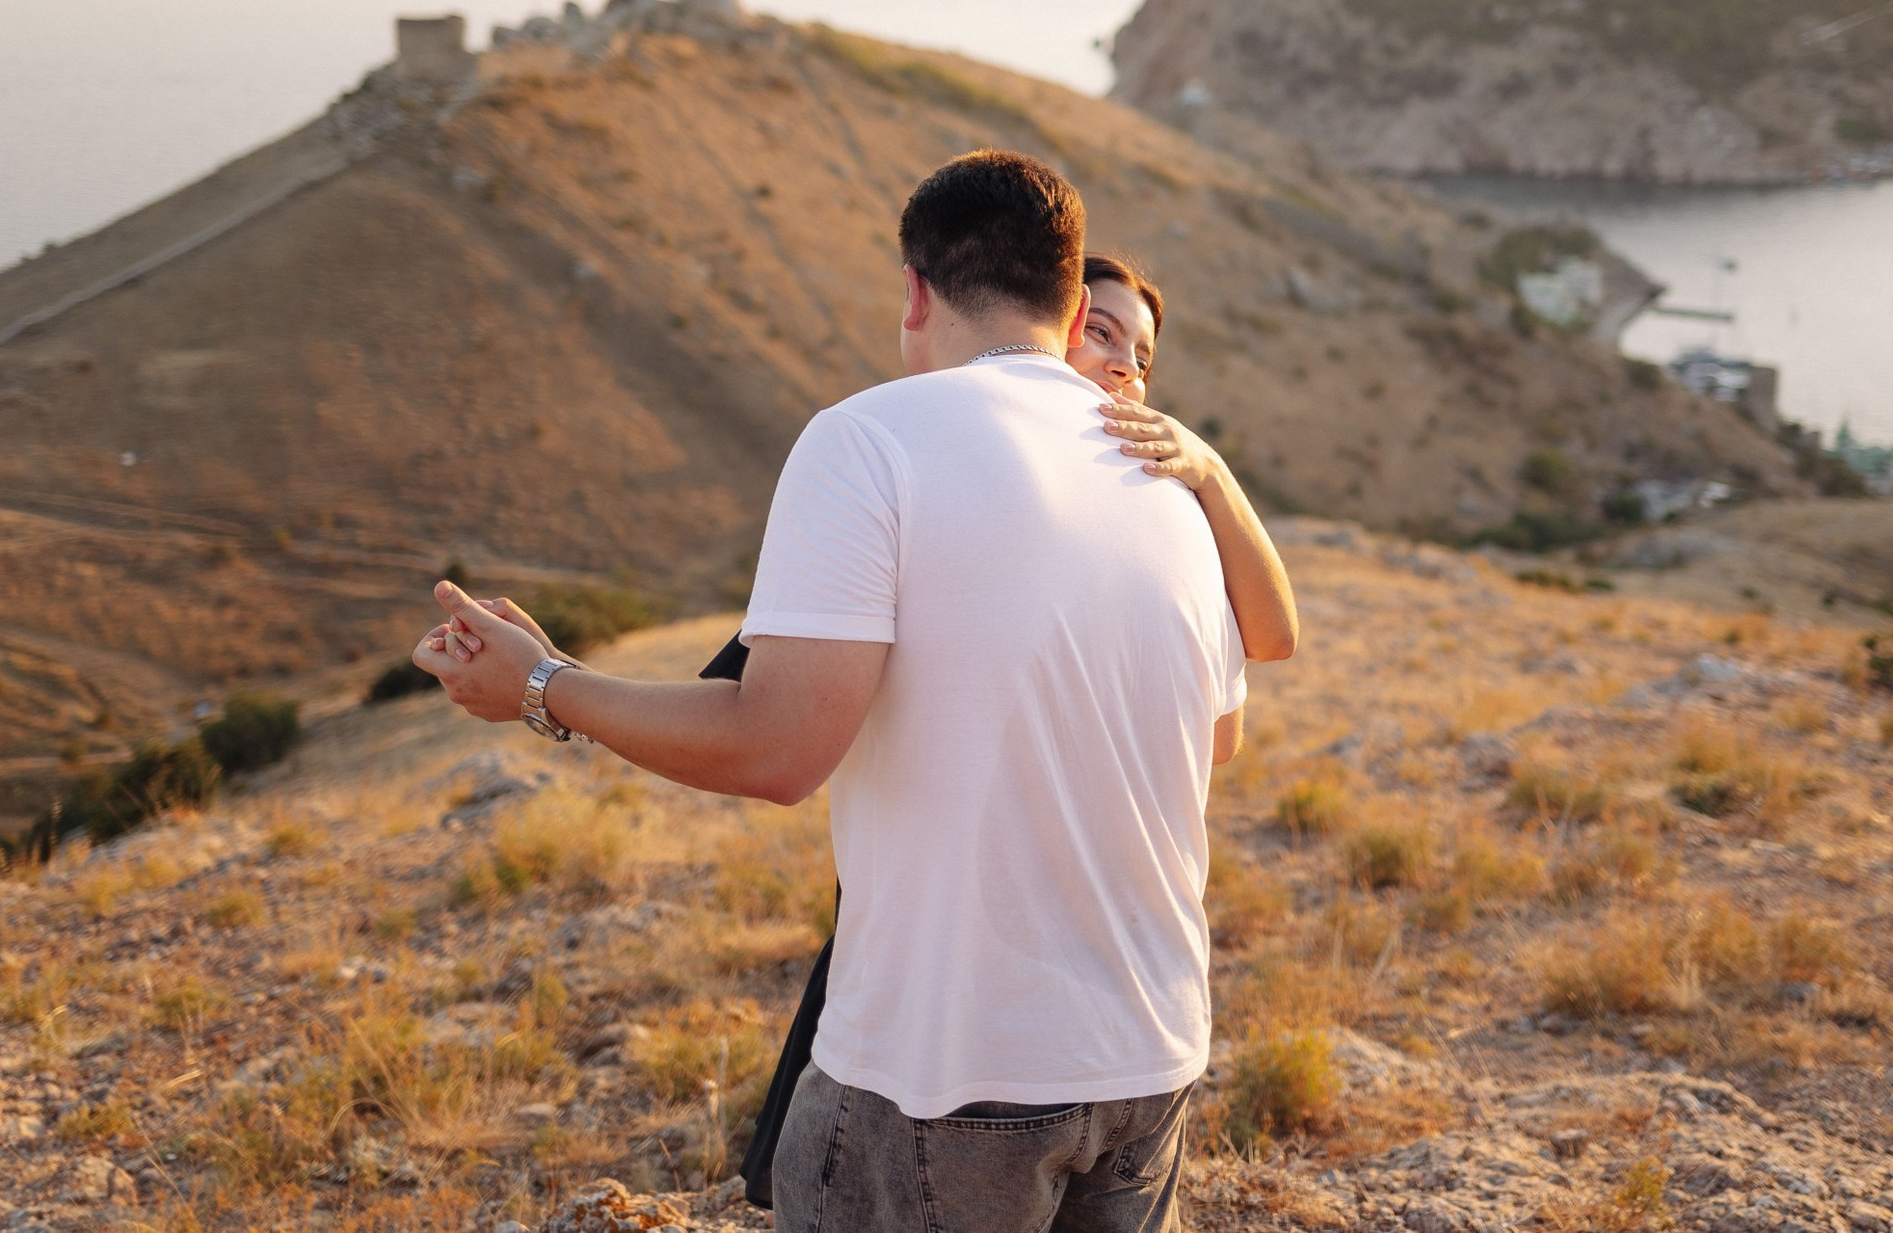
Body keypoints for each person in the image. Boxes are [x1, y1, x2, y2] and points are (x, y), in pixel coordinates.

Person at [413, 151, 1276, 1232]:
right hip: (1151, 1056)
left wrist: (543, 686)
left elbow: (775, 753)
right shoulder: (1166, 477)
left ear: (914, 290)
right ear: (1068, 309)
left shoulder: (867, 440)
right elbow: (1218, 739)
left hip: (951, 1072)